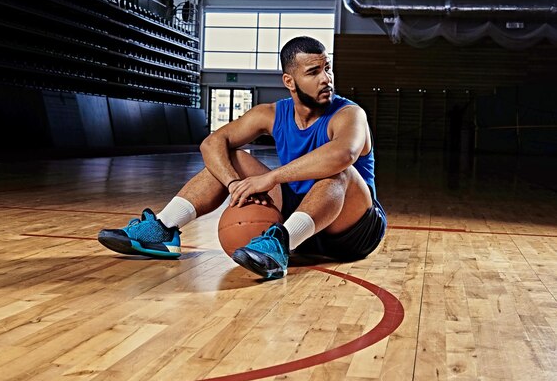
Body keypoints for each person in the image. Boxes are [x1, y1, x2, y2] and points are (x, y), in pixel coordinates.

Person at [98, 36, 387, 280]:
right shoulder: (271, 113)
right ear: (289, 80)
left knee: (341, 171)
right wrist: (234, 182)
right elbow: (213, 142)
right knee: (231, 157)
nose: (326, 79)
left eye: (328, 68)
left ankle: (280, 244)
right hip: (299, 215)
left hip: (352, 229)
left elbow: (343, 154)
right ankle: (163, 228)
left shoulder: (350, 114)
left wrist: (269, 178)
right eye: (313, 72)